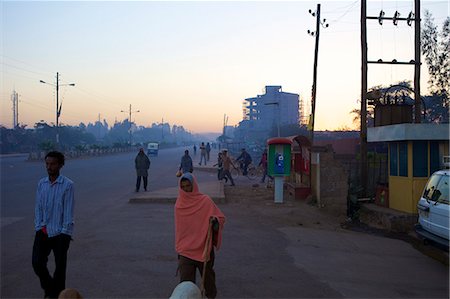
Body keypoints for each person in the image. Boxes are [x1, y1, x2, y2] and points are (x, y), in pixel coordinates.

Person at [175, 173, 226, 299]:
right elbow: (180, 229)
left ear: (194, 185)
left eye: (188, 186)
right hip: (185, 250)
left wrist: (215, 222)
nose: (186, 189)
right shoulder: (179, 204)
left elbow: (220, 218)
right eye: (183, 187)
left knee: (208, 281)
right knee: (186, 285)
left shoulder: (205, 201)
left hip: (204, 248)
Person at [32, 151, 74, 299]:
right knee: (37, 263)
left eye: (53, 164)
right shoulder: (41, 184)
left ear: (60, 165)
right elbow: (38, 207)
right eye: (47, 164)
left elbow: (68, 211)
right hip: (43, 231)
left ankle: (58, 295)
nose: (49, 167)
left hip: (60, 234)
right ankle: (52, 291)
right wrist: (39, 226)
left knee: (60, 270)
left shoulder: (67, 185)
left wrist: (65, 233)